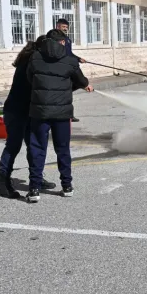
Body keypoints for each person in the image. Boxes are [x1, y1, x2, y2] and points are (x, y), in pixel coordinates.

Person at [25, 29, 93, 203]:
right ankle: (67, 186)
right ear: (62, 42)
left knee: (37, 149)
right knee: (62, 149)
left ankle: (34, 189)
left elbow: (30, 79)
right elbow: (81, 80)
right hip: (62, 114)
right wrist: (83, 85)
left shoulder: (35, 57)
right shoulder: (70, 60)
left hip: (39, 112)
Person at [0, 36, 55, 199]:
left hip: (30, 111)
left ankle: (36, 178)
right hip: (17, 111)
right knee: (13, 146)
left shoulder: (34, 57)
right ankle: (4, 183)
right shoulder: (33, 61)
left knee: (34, 145)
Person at [55, 18, 85, 122]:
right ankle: (67, 114)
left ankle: (69, 115)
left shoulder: (67, 39)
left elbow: (69, 53)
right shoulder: (53, 38)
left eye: (66, 27)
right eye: (63, 27)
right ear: (58, 26)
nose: (65, 29)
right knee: (66, 91)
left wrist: (78, 59)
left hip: (67, 68)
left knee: (70, 90)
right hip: (59, 69)